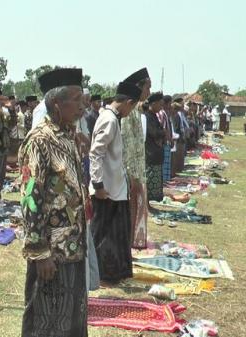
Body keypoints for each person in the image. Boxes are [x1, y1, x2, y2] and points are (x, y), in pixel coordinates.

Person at [19, 68, 88, 337]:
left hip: (73, 247)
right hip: (52, 253)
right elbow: (30, 200)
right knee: (47, 321)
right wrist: (39, 252)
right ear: (57, 105)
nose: (82, 105)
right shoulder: (39, 141)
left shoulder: (68, 136)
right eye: (76, 99)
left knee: (72, 317)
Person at [89, 81, 141, 285]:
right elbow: (96, 153)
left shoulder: (113, 118)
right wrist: (98, 185)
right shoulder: (109, 120)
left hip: (115, 187)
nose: (131, 111)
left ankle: (110, 274)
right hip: (106, 189)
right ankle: (97, 274)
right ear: (128, 102)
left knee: (115, 235)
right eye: (133, 106)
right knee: (101, 234)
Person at [120, 67, 150, 249]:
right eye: (148, 88)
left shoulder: (136, 111)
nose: (149, 93)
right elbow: (127, 147)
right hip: (130, 175)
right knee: (129, 211)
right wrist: (133, 177)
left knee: (135, 210)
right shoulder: (128, 112)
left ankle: (130, 245)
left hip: (137, 172)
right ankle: (127, 247)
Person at [145, 93, 166, 202]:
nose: (161, 107)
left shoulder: (153, 116)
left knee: (156, 183)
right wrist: (163, 133)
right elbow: (154, 133)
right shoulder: (147, 116)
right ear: (153, 103)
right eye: (160, 105)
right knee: (150, 182)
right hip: (151, 155)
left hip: (156, 155)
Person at [159, 95, 175, 181]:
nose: (171, 106)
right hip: (165, 143)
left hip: (166, 142)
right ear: (166, 104)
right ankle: (165, 182)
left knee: (166, 164)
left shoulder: (165, 113)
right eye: (170, 103)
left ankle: (166, 181)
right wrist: (170, 140)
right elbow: (165, 129)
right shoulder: (162, 113)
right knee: (165, 165)